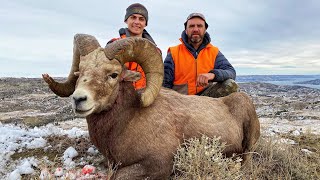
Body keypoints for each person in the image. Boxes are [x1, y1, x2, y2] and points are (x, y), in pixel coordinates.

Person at [163, 13, 239, 98]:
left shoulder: (214, 52)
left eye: (199, 26)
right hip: (181, 101)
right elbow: (165, 85)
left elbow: (231, 72)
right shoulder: (174, 52)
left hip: (206, 100)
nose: (195, 29)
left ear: (205, 29)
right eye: (191, 26)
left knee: (230, 84)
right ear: (186, 30)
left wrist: (213, 75)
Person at [107, 3, 161, 91]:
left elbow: (157, 79)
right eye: (133, 17)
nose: (137, 22)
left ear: (145, 23)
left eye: (141, 19)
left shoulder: (155, 51)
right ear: (126, 20)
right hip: (118, 97)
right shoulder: (113, 44)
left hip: (143, 99)